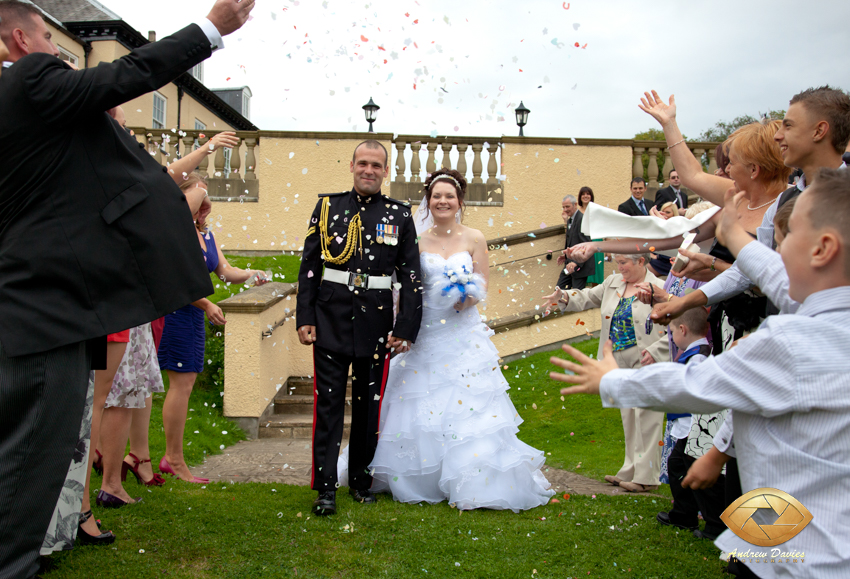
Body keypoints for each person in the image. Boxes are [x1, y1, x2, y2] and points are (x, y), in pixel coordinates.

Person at [0, 1, 254, 576]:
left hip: (28, 302)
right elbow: (126, 73)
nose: (60, 57)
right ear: (19, 40)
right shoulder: (32, 81)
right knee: (34, 446)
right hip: (47, 310)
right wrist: (212, 28)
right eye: (50, 41)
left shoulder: (36, 124)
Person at [552, 169, 850, 579]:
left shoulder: (791, 342)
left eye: (786, 238)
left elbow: (697, 384)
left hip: (805, 556)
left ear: (822, 249)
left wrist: (612, 381)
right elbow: (774, 277)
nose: (774, 250)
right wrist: (735, 233)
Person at [347, 168, 554, 511]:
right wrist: (401, 326)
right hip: (426, 331)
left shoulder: (475, 238)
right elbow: (404, 289)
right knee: (418, 402)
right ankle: (418, 477)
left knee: (470, 403)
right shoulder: (414, 238)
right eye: (437, 196)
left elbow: (481, 283)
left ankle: (472, 478)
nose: (443, 201)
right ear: (428, 200)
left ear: (459, 202)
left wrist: (466, 295)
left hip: (462, 331)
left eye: (450, 196)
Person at [646, 86, 850, 323]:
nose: (777, 135)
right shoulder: (786, 202)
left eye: (789, 125)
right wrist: (684, 302)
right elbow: (750, 269)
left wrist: (725, 246)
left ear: (819, 131)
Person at [296, 140, 423, 516]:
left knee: (370, 408)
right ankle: (325, 489)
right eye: (363, 163)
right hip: (330, 319)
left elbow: (411, 276)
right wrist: (305, 317)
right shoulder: (327, 207)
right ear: (352, 165)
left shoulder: (400, 214)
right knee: (329, 405)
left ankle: (360, 481)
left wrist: (406, 327)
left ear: (386, 171)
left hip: (377, 323)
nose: (369, 170)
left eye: (377, 165)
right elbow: (309, 266)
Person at [158, 173, 268, 484]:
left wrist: (251, 273)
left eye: (208, 202)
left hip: (193, 318)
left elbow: (224, 271)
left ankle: (158, 457)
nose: (206, 206)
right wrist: (207, 305)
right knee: (180, 386)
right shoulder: (174, 232)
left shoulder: (205, 234)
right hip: (176, 312)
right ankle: (172, 459)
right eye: (199, 199)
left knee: (187, 385)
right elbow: (176, 279)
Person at [541, 254, 670, 492]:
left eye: (624, 263)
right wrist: (564, 295)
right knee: (628, 416)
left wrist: (657, 350)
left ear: (641, 261)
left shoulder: (660, 288)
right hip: (617, 358)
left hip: (646, 357)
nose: (620, 268)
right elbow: (588, 297)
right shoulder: (613, 283)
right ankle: (629, 470)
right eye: (618, 263)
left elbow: (674, 324)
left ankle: (647, 477)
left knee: (647, 416)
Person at [654, 306, 727, 541]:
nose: (671, 337)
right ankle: (685, 513)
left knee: (686, 466)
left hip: (692, 424)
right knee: (678, 465)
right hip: (688, 423)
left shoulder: (698, 357)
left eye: (672, 331)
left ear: (683, 330)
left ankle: (710, 520)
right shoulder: (697, 353)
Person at [556, 194, 595, 290]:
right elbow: (571, 241)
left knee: (576, 296)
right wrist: (566, 256)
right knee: (559, 291)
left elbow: (586, 244)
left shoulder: (582, 219)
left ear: (575, 205)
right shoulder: (570, 221)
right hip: (569, 264)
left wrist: (576, 263)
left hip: (579, 266)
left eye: (567, 206)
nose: (565, 209)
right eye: (563, 207)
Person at [576, 186, 606, 286]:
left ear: (591, 196)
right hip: (583, 243)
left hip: (597, 242)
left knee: (597, 273)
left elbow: (603, 228)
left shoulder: (596, 210)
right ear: (580, 197)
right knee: (584, 272)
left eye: (588, 194)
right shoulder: (577, 213)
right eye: (583, 194)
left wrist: (608, 250)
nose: (585, 196)